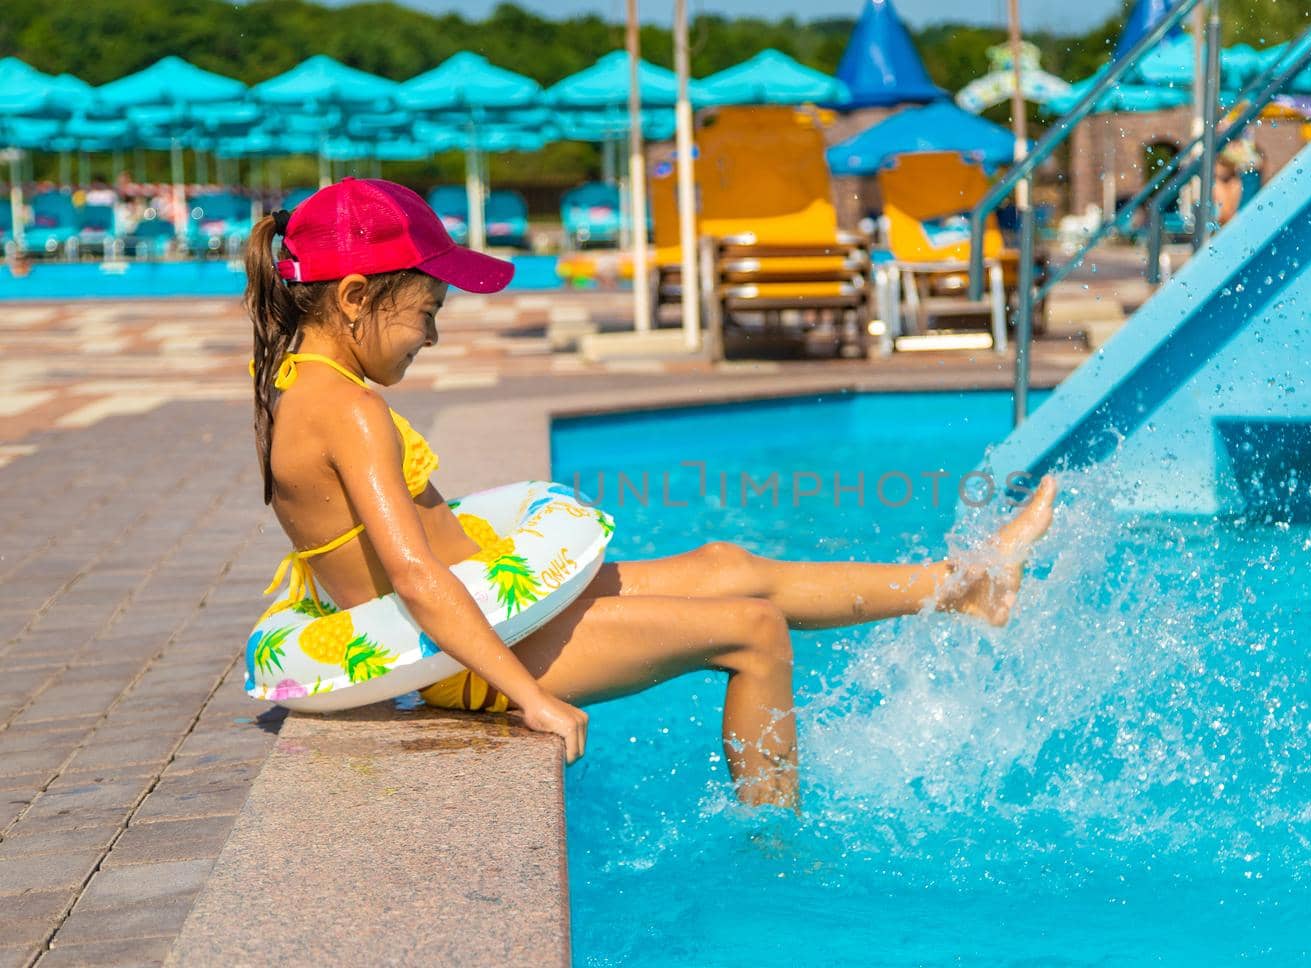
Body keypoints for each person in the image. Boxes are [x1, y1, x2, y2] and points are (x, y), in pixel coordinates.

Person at [244, 178, 1058, 810]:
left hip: (498, 611)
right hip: (475, 656)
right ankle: (775, 850)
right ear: (355, 297)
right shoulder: (347, 410)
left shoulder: (314, 386)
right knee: (753, 631)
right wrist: (530, 699)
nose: (432, 334)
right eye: (426, 311)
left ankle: (970, 588)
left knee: (726, 562)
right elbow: (417, 577)